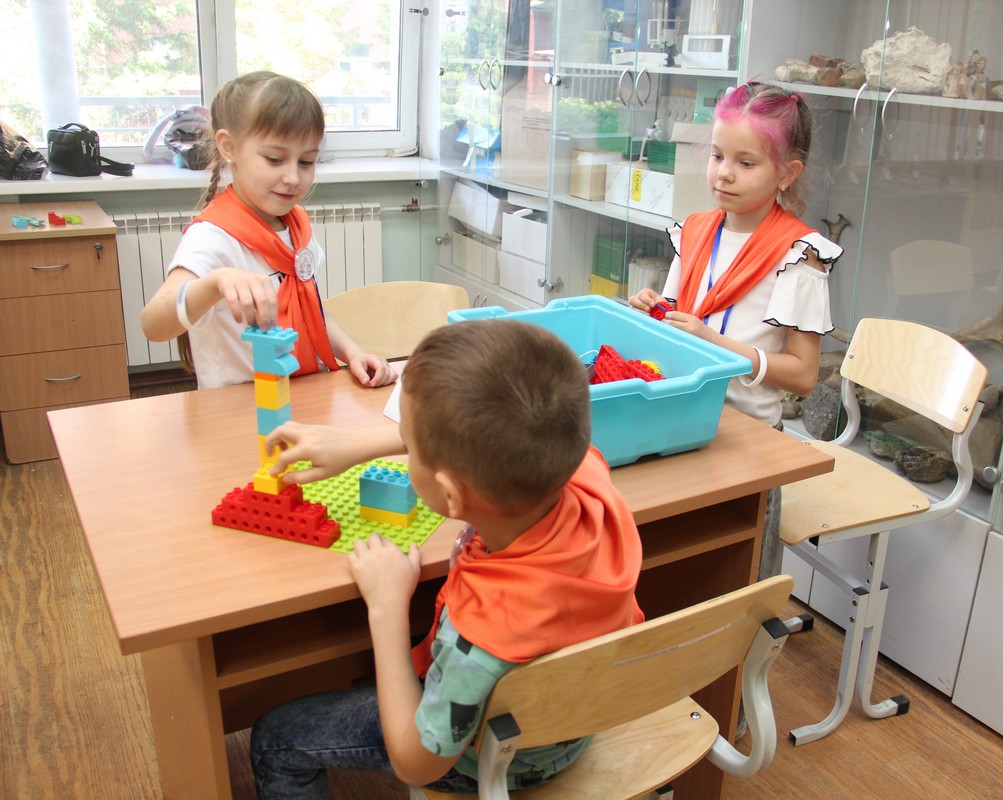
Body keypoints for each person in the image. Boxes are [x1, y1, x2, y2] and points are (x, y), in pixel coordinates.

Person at [249, 318, 645, 797]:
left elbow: (415, 764)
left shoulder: (479, 637)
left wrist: (387, 608)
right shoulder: (587, 475)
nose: (406, 450)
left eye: (410, 446)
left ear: (452, 495)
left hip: (497, 758)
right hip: (575, 720)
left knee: (276, 737)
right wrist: (359, 444)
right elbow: (498, 433)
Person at [629, 82, 842, 581]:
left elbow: (803, 376)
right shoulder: (695, 230)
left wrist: (714, 343)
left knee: (735, 580)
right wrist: (653, 311)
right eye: (718, 156)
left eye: (746, 163)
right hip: (683, 421)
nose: (724, 173)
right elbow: (678, 320)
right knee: (666, 567)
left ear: (787, 174)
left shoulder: (800, 256)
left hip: (747, 441)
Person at [139, 71, 396, 390]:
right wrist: (216, 282)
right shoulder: (213, 237)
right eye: (275, 159)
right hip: (239, 408)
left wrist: (353, 353)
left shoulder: (296, 225)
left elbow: (311, 312)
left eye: (306, 162)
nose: (293, 178)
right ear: (228, 147)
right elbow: (153, 325)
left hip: (302, 394)